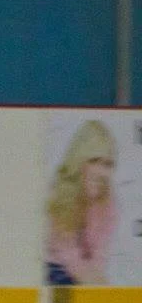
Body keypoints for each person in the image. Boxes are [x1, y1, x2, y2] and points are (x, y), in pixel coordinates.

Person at [45, 120, 118, 286]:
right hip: (54, 267)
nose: (101, 171)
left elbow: (99, 255)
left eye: (107, 164)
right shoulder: (58, 193)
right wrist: (92, 283)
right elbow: (67, 252)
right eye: (94, 161)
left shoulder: (109, 203)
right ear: (79, 160)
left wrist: (98, 283)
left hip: (84, 271)